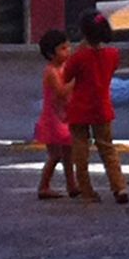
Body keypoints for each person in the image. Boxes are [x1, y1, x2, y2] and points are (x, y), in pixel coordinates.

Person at [62, 10, 129, 205]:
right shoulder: (113, 54)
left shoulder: (79, 57)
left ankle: (87, 190)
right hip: (102, 107)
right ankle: (119, 186)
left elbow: (67, 76)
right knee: (107, 148)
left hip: (80, 107)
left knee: (81, 150)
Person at [34, 29, 79, 200]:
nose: (68, 51)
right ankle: (43, 186)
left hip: (64, 116)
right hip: (53, 119)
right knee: (55, 155)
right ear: (50, 53)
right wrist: (75, 81)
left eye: (68, 47)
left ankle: (72, 185)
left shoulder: (63, 67)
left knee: (69, 154)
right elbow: (60, 92)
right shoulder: (51, 71)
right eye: (63, 48)